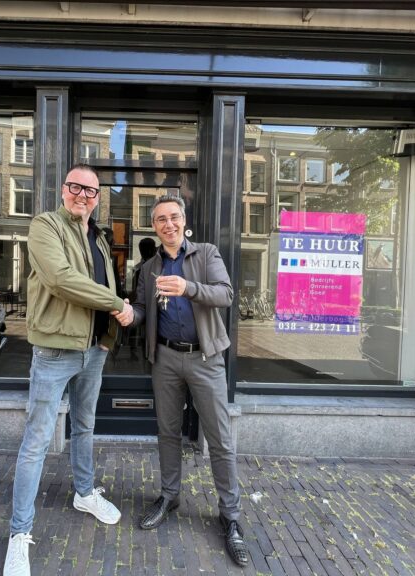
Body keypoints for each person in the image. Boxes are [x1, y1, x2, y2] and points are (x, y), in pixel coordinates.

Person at [3, 164, 134, 576]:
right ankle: (19, 534)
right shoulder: (45, 226)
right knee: (37, 441)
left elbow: (106, 284)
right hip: (55, 350)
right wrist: (118, 305)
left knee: (84, 427)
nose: (83, 195)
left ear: (97, 198)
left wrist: (108, 337)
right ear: (64, 190)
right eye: (76, 187)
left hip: (93, 351)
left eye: (91, 191)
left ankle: (84, 493)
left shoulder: (98, 237)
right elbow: (61, 280)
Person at [129, 195, 249, 567]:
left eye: (174, 217)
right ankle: (169, 496)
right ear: (154, 226)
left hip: (205, 358)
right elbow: (143, 309)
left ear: (184, 220)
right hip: (165, 358)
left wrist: (188, 287)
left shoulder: (206, 253)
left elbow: (226, 295)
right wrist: (128, 314)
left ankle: (230, 515)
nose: (168, 224)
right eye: (161, 219)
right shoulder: (149, 267)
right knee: (167, 432)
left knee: (220, 438)